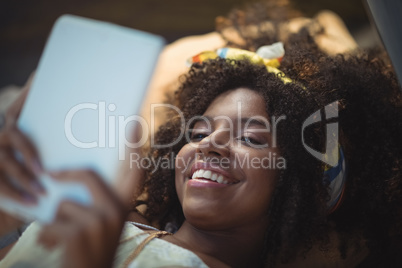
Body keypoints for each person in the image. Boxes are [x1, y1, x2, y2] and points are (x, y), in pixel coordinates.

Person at [1, 4, 402, 268]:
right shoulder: (109, 210)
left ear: (299, 185)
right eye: (199, 131)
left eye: (253, 139)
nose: (209, 144)